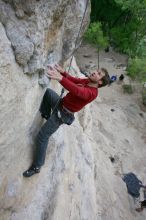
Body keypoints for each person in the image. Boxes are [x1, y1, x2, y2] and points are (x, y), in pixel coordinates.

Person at [23, 64, 110, 177]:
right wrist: (63, 72)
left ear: (100, 82)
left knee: (42, 137)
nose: (94, 72)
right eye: (96, 71)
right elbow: (74, 80)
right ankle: (46, 114)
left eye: (98, 74)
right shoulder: (87, 81)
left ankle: (37, 166)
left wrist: (60, 78)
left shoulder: (92, 93)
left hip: (63, 114)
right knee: (49, 93)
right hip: (60, 104)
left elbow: (77, 90)